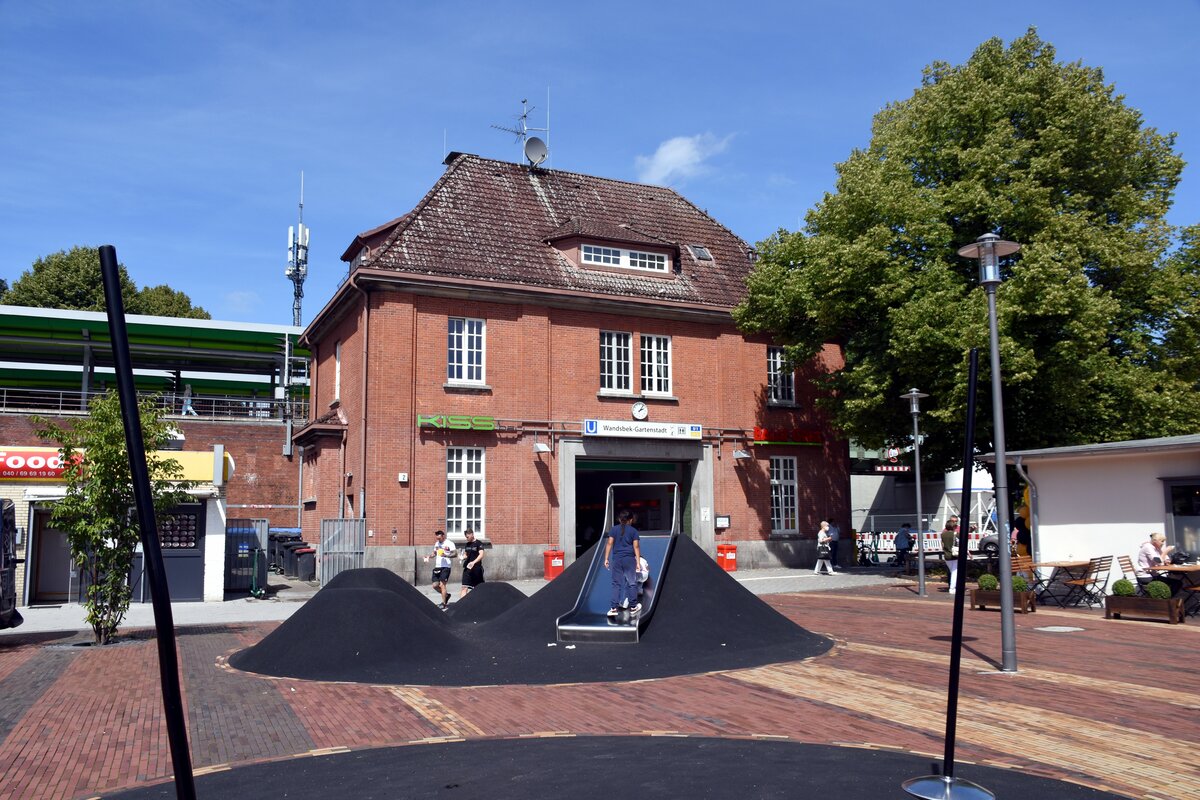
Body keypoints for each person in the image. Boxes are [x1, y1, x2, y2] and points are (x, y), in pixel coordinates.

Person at [603, 509, 642, 618]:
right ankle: (633, 606)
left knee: (616, 583)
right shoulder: (633, 531)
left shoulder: (614, 530)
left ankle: (614, 608)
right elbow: (636, 547)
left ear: (620, 519)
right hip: (629, 559)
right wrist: (638, 562)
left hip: (617, 559)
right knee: (632, 582)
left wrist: (606, 559)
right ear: (631, 520)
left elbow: (609, 543)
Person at [423, 529, 457, 609]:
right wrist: (428, 556)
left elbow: (455, 554)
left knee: (442, 585)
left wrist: (446, 555)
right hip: (437, 566)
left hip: (446, 567)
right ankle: (446, 595)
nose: (438, 539)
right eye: (437, 538)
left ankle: (444, 603)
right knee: (435, 585)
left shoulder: (449, 543)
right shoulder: (437, 544)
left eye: (439, 538)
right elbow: (434, 553)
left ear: (443, 536)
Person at [459, 528, 484, 599]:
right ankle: (461, 605)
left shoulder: (479, 543)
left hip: (476, 569)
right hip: (467, 568)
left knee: (478, 588)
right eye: (466, 537)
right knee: (464, 587)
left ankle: (480, 602)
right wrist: (462, 557)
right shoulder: (467, 544)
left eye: (468, 537)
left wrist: (474, 562)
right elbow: (466, 555)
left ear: (472, 534)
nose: (467, 538)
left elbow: (481, 555)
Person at [941, 516, 960, 594]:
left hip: (946, 555)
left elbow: (942, 545)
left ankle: (952, 586)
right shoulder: (955, 534)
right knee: (955, 572)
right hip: (954, 555)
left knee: (952, 571)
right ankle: (952, 588)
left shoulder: (943, 534)